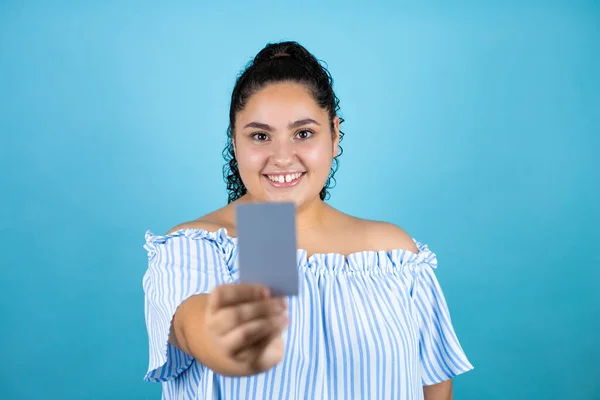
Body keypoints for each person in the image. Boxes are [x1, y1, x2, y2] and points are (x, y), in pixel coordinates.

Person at [142, 40, 473, 400]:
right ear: (235, 143)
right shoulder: (200, 246)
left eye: (303, 133)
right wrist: (222, 340)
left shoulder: (393, 253)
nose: (282, 157)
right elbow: (191, 327)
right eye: (260, 136)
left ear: (334, 132)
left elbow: (434, 387)